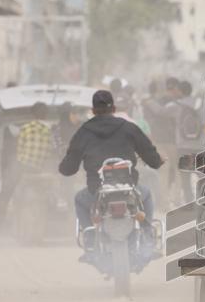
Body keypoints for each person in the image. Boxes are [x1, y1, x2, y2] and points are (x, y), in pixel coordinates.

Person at [58, 90, 164, 236]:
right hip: (129, 187)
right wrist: (158, 161)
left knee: (79, 199)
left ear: (93, 110)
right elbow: (151, 156)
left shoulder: (84, 131)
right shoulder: (129, 128)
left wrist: (63, 166)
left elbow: (68, 168)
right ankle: (147, 236)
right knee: (146, 194)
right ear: (113, 109)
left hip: (96, 190)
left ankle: (90, 240)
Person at [0, 102, 54, 228]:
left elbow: (19, 150)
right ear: (46, 115)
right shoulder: (48, 131)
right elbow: (48, 152)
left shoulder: (26, 128)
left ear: (33, 114)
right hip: (38, 169)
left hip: (23, 167)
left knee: (5, 195)